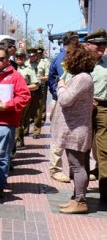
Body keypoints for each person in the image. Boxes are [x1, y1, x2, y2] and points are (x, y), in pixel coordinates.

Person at [51, 43, 96, 214]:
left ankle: (80, 201)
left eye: (67, 59)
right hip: (74, 129)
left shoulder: (82, 78)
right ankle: (76, 197)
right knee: (75, 165)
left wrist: (61, 86)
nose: (65, 62)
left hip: (76, 130)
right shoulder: (80, 77)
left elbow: (65, 100)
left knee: (77, 166)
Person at [0, 46, 31, 199]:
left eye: (0, 59)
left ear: (7, 60)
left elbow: (24, 96)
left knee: (2, 154)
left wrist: (8, 105)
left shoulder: (15, 76)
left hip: (6, 121)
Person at [47, 31, 81, 183]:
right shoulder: (62, 58)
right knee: (58, 136)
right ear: (69, 43)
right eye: (76, 42)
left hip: (74, 102)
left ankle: (75, 169)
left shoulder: (75, 57)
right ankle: (55, 169)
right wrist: (60, 94)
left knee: (74, 136)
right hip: (61, 101)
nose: (78, 45)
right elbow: (59, 81)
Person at [85, 28, 107, 199]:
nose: (102, 47)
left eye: (104, 44)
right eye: (98, 44)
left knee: (104, 150)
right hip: (83, 110)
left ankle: (105, 191)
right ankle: (80, 189)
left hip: (103, 109)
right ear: (88, 45)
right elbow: (66, 84)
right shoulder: (80, 63)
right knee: (82, 149)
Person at [14, 51, 40, 149]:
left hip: (22, 97)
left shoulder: (29, 70)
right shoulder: (10, 68)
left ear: (25, 58)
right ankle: (18, 140)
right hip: (10, 97)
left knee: (19, 119)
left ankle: (18, 141)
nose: (18, 58)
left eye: (21, 56)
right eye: (17, 56)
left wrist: (22, 88)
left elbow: (36, 85)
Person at [26, 47, 49, 138]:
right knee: (26, 111)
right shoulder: (25, 64)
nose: (32, 57)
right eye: (30, 56)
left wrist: (38, 79)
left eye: (33, 55)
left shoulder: (43, 63)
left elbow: (47, 76)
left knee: (38, 111)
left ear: (36, 55)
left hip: (39, 88)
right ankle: (25, 130)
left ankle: (36, 131)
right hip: (28, 88)